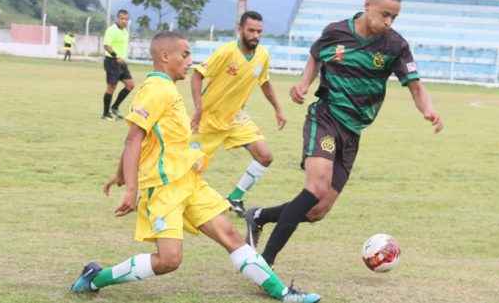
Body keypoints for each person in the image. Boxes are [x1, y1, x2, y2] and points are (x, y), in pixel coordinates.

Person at [68, 31, 321, 303]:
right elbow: (134, 138)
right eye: (185, 54)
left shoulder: (168, 89)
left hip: (188, 181)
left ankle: (283, 293)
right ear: (165, 57)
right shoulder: (155, 90)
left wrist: (119, 173)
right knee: (169, 260)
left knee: (231, 235)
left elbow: (143, 139)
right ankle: (95, 277)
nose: (190, 61)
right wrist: (130, 188)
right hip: (163, 188)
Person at [243, 0, 443, 267]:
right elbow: (316, 55)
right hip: (325, 117)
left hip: (353, 132)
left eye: (394, 18)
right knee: (315, 188)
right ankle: (264, 264)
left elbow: (415, 86)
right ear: (367, 4)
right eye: (385, 14)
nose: (388, 22)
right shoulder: (336, 32)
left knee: (317, 211)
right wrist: (303, 84)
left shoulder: (395, 45)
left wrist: (428, 110)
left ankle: (259, 216)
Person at [190, 11, 286, 217]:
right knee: (190, 169)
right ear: (240, 29)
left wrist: (278, 109)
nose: (255, 35)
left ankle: (234, 198)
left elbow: (265, 82)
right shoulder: (226, 52)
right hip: (209, 119)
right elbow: (197, 75)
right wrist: (198, 108)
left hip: (236, 118)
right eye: (251, 30)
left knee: (265, 156)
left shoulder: (263, 55)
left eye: (259, 31)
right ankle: (153, 195)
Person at [102, 9, 135, 121]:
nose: (124, 21)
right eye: (122, 18)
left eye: (126, 19)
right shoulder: (111, 30)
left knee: (130, 85)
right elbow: (107, 46)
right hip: (112, 61)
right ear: (117, 18)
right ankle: (105, 113)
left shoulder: (125, 31)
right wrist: (116, 56)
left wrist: (122, 58)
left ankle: (115, 107)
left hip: (122, 63)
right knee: (111, 87)